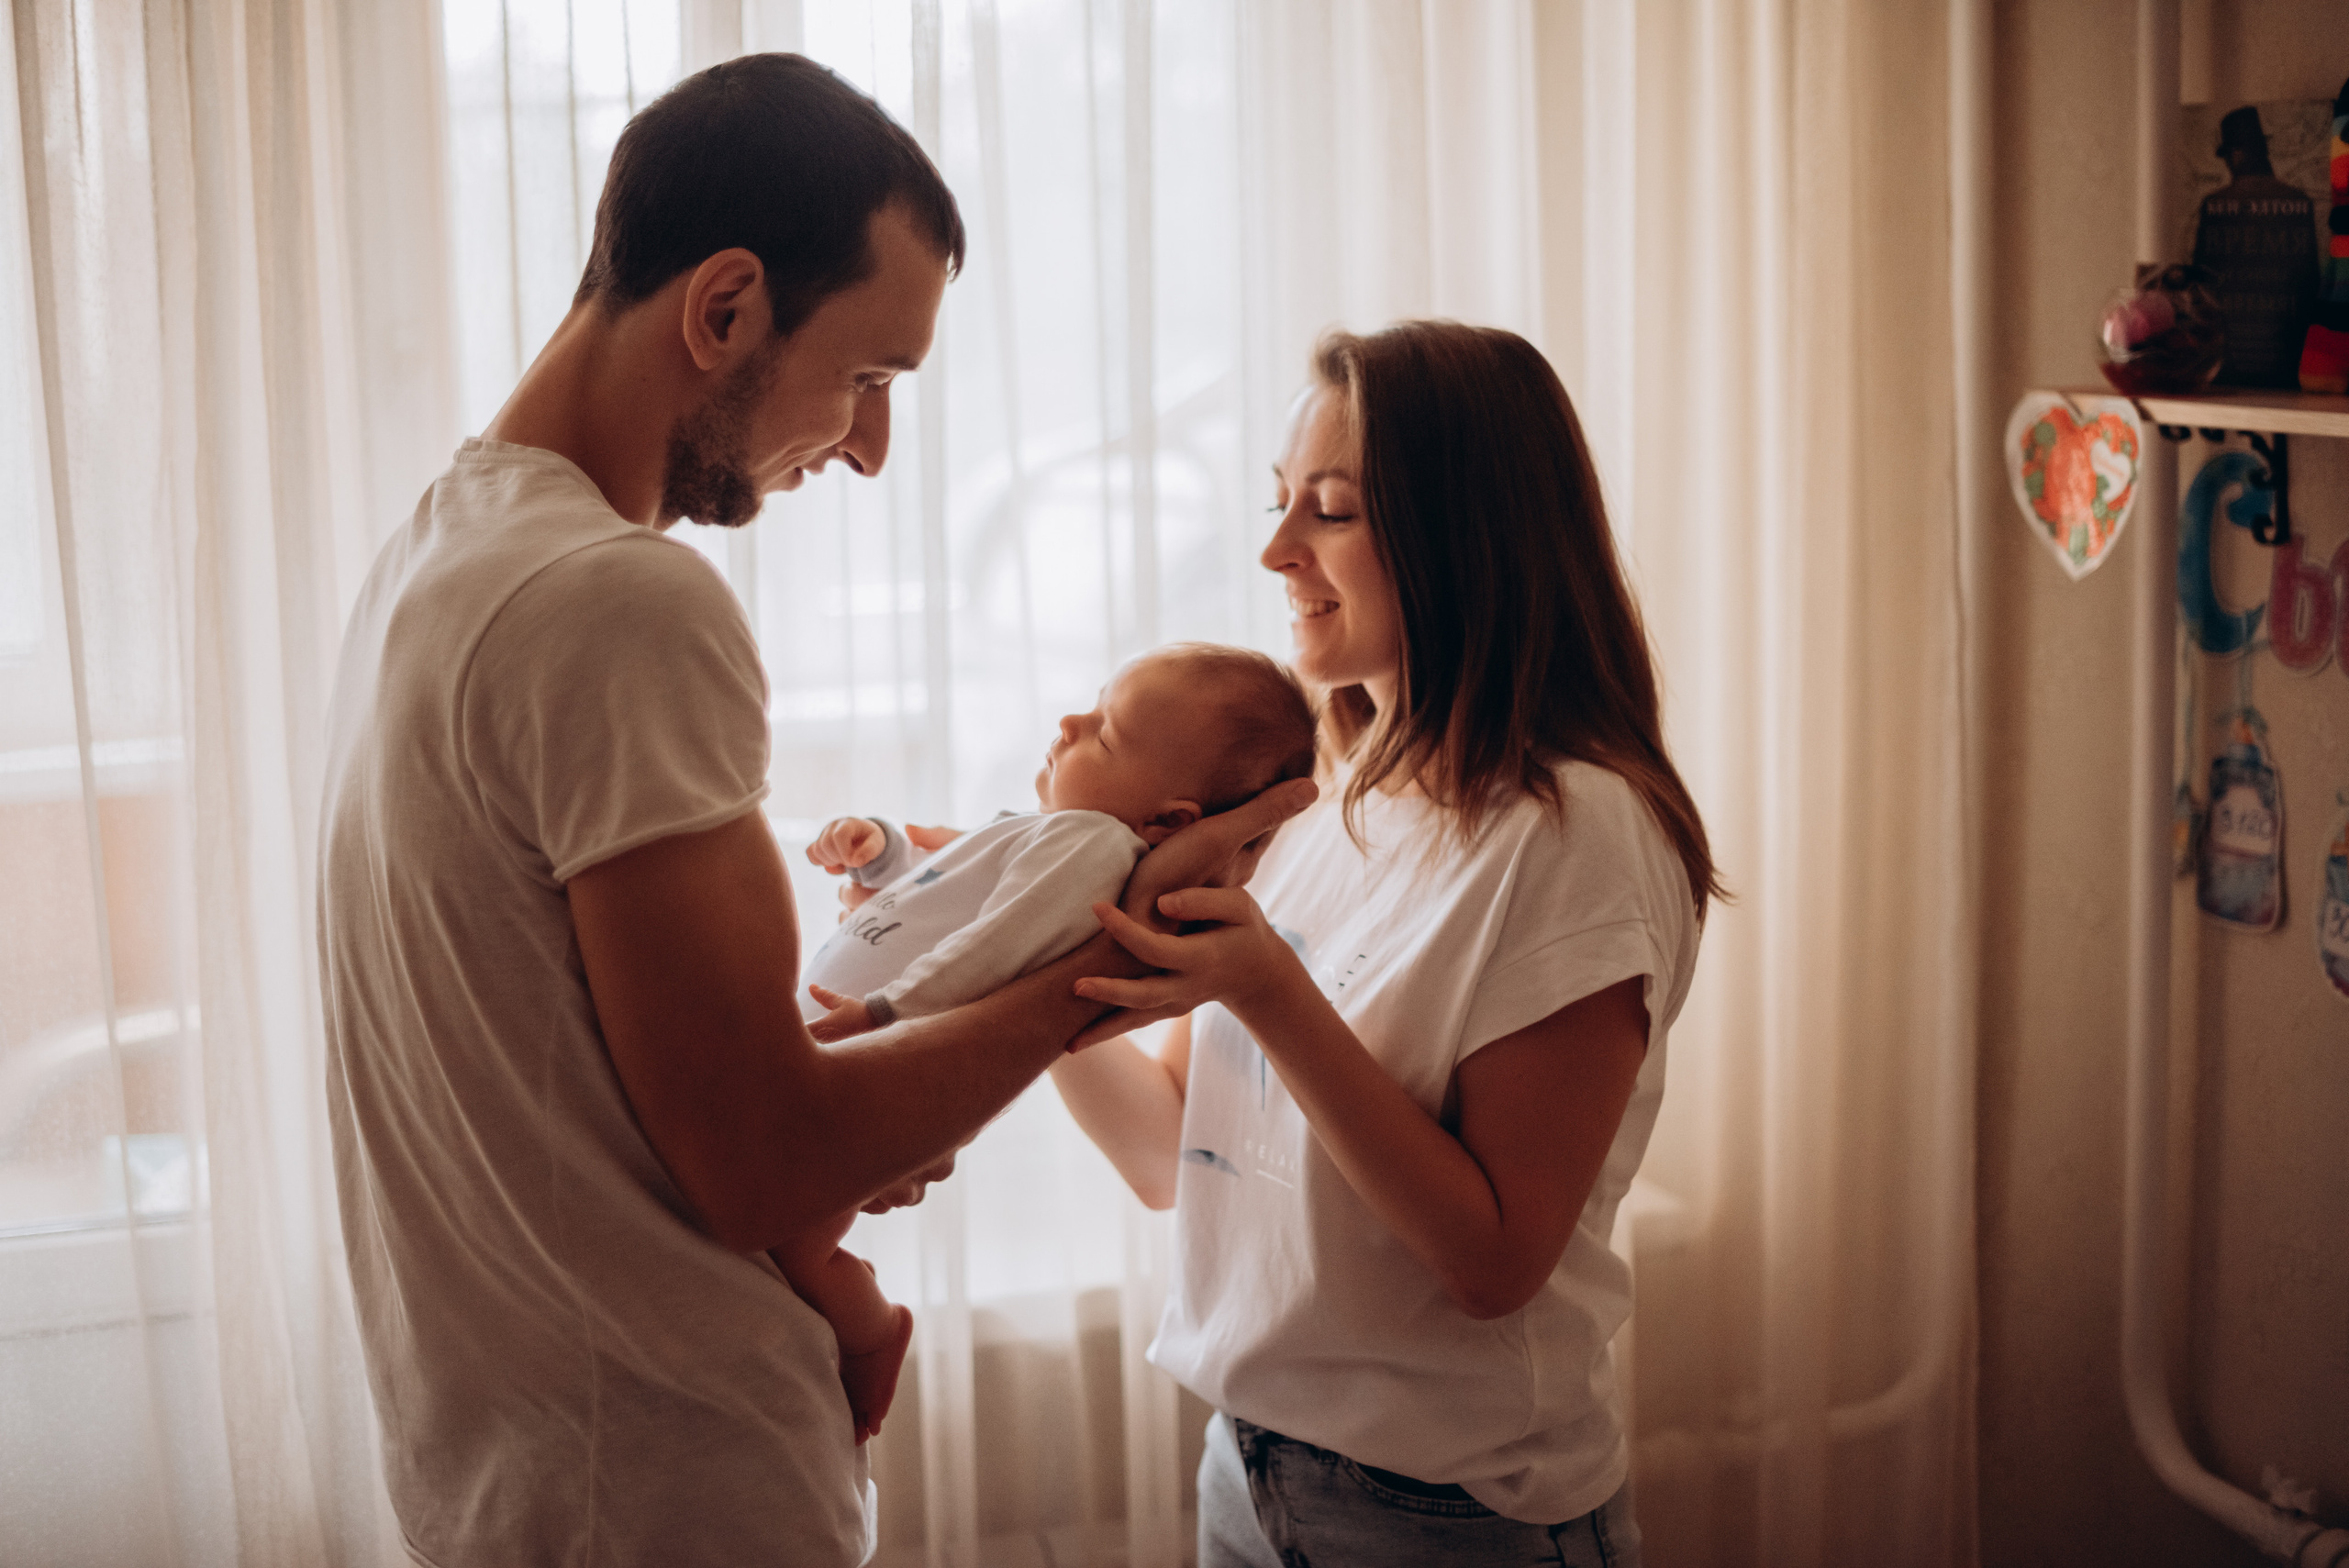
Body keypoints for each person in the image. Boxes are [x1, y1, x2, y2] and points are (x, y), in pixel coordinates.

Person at [315, 54, 1311, 1568]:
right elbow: (769, 1161)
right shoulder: (617, 600)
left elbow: (618, 1087)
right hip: (670, 1488)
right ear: (725, 307)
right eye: (867, 378)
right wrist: (1116, 949)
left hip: (512, 1478)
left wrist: (869, 1090)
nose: (868, 447)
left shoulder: (427, 565)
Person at [1049, 321, 1721, 1567]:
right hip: (1249, 1471)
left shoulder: (1574, 834)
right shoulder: (1320, 799)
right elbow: (1167, 1153)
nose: (1275, 549)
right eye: (1278, 502)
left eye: (1332, 510)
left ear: (1464, 535)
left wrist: (1271, 992)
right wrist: (1026, 955)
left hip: (1445, 1515)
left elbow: (1494, 1259)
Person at [775, 643, 1316, 1432]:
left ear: (1169, 820)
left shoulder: (1090, 849)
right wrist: (880, 848)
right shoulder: (1043, 833)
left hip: (879, 1051)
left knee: (791, 1241)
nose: (1069, 722)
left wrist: (888, 1010)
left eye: (1105, 733)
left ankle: (870, 1335)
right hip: (852, 1047)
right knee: (778, 1218)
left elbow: (988, 953)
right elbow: (939, 882)